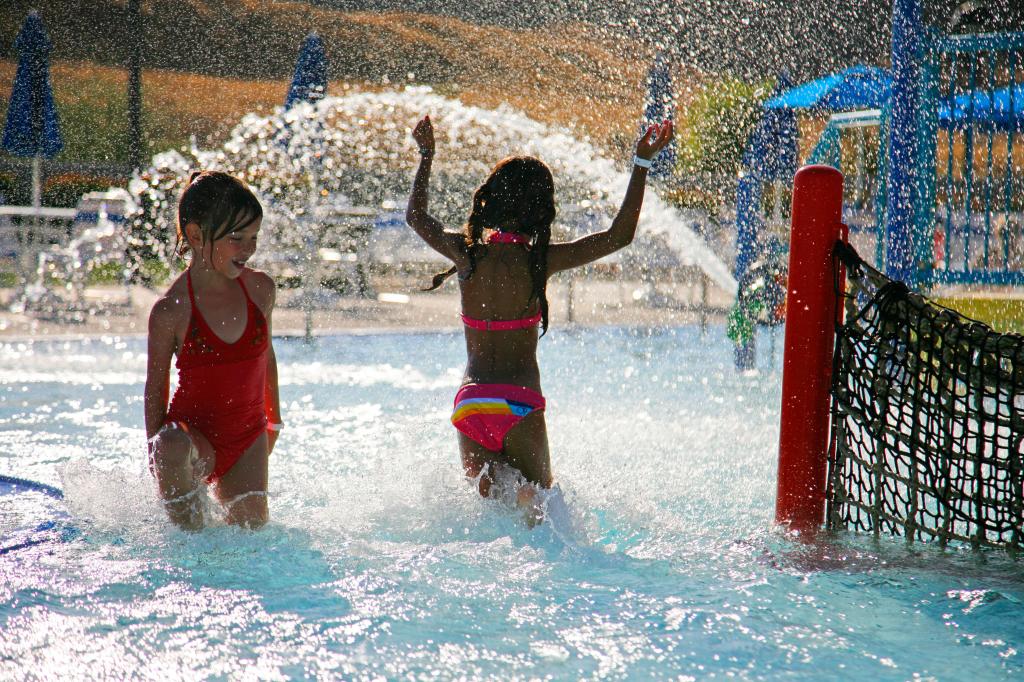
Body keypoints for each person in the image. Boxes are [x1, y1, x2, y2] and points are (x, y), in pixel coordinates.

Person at [406, 115, 673, 524]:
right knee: (542, 512)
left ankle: (508, 494)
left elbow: (416, 219)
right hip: (519, 402)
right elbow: (618, 235)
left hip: (471, 404)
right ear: (541, 210)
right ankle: (527, 500)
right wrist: (641, 163)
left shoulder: (468, 255)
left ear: (491, 198)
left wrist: (427, 156)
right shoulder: (539, 261)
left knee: (490, 513)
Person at [144, 171, 282, 530]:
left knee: (252, 540)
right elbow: (155, 387)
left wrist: (275, 419)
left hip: (247, 438)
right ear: (195, 235)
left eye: (254, 237)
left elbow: (266, 356)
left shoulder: (260, 291)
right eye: (237, 238)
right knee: (193, 543)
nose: (249, 248)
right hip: (194, 440)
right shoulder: (172, 309)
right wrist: (156, 453)